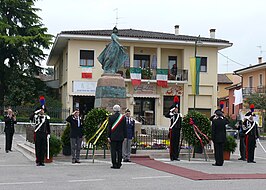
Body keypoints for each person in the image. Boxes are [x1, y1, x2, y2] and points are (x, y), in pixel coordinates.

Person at [107, 104, 127, 169]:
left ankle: (114, 164)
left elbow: (109, 127)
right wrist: (125, 136)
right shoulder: (123, 118)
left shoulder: (111, 117)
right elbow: (125, 128)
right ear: (119, 110)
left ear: (114, 110)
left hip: (113, 137)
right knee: (119, 150)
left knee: (113, 151)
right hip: (121, 137)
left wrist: (108, 136)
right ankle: (119, 163)